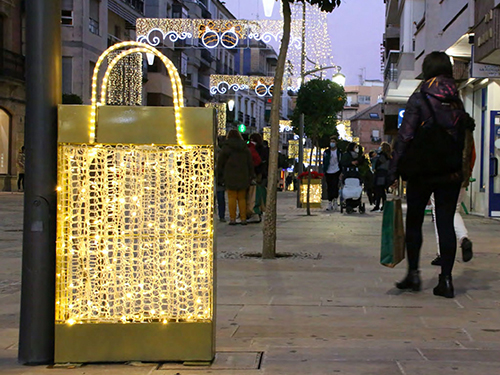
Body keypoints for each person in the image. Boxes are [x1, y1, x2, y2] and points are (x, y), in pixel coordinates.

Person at [389, 51, 472, 298]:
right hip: (450, 171)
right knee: (445, 223)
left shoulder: (420, 97)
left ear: (427, 69)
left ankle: (413, 275)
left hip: (421, 170)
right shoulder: (457, 99)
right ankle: (445, 280)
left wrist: (393, 169)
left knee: (414, 221)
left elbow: (405, 136)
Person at [430, 134, 476, 265]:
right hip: (460, 177)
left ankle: (442, 253)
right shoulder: (465, 129)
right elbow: (472, 156)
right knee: (455, 210)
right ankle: (463, 237)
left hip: (440, 178)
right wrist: (467, 173)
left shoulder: (436, 126)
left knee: (439, 214)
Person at [217, 130, 255, 225]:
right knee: (242, 198)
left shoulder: (226, 148)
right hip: (243, 175)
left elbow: (220, 163)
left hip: (229, 175)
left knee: (231, 197)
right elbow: (250, 163)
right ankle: (243, 218)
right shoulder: (244, 148)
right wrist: (251, 175)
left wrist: (219, 176)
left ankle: (232, 218)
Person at [322, 136, 342, 211]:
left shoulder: (339, 152)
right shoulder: (326, 152)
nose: (332, 143)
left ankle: (335, 200)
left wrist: (341, 171)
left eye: (334, 142)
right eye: (331, 142)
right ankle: (330, 202)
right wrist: (324, 170)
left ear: (336, 143)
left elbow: (341, 161)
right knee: (329, 187)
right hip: (328, 171)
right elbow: (324, 161)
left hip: (336, 170)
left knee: (335, 186)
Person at [371, 142, 391, 212]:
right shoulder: (388, 156)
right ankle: (382, 205)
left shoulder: (382, 156)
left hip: (380, 174)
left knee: (379, 190)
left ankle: (378, 206)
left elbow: (377, 163)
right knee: (381, 191)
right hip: (385, 174)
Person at [215, 136, 226, 222]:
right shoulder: (222, 152)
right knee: (220, 197)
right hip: (220, 177)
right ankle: (221, 215)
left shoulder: (221, 152)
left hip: (218, 177)